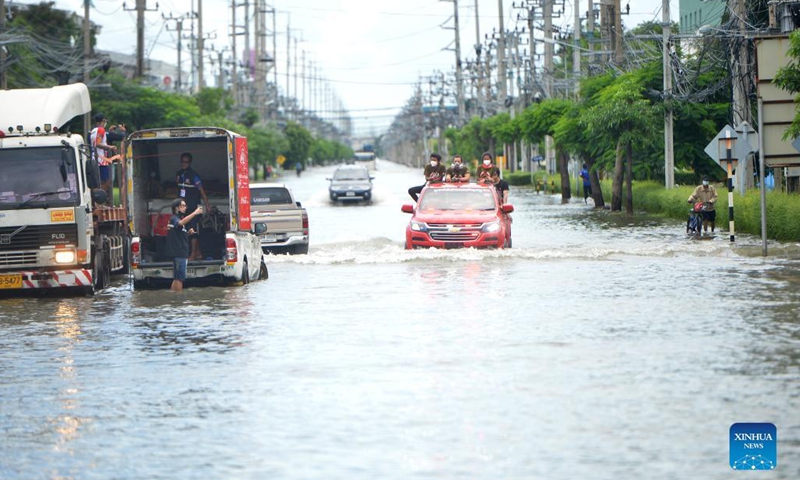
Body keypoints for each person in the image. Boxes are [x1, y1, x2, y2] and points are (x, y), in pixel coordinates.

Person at [176, 152, 211, 260]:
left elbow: (201, 190)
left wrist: (207, 205)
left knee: (192, 229)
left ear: (190, 163)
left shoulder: (194, 175)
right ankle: (198, 253)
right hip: (183, 208)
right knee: (187, 230)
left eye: (186, 162)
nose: (184, 164)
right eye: (182, 161)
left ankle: (193, 254)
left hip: (193, 207)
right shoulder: (178, 174)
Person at [166, 198, 204, 292]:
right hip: (178, 253)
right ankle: (179, 298)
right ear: (176, 208)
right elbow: (181, 223)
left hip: (181, 252)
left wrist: (188, 233)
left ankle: (173, 295)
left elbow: (178, 234)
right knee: (180, 278)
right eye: (183, 206)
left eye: (185, 206)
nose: (185, 208)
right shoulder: (175, 218)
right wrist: (195, 213)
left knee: (177, 277)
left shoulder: (178, 220)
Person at [90, 113, 121, 202]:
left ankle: (96, 201)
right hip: (100, 160)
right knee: (107, 182)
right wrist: (110, 147)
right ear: (103, 121)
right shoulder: (101, 130)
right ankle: (97, 200)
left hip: (95, 158)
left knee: (99, 182)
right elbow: (98, 143)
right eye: (105, 122)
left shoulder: (94, 130)